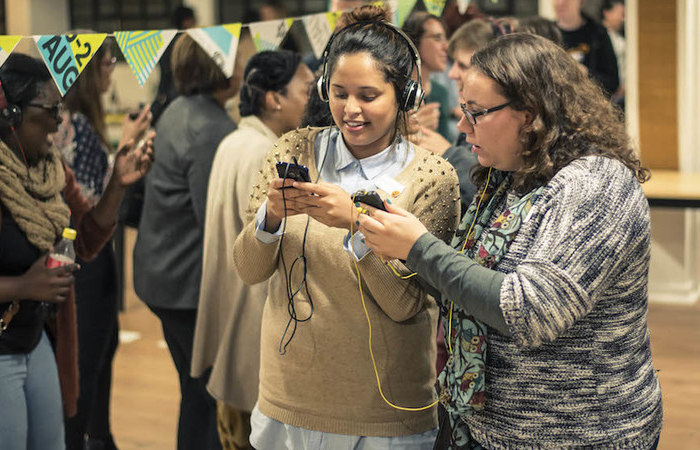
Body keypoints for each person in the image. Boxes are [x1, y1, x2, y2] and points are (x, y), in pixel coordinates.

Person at [358, 33, 662, 449]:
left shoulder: (596, 185)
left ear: (531, 114)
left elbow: (530, 311)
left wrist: (419, 247)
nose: (462, 126)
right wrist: (394, 244)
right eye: (464, 111)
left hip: (581, 435)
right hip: (492, 431)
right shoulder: (510, 175)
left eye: (477, 113)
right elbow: (468, 287)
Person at [0, 53, 153, 449]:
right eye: (51, 109)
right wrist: (23, 285)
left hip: (31, 341)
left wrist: (117, 186)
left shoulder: (48, 169)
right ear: (9, 113)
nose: (58, 121)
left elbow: (82, 239)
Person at [234, 5, 459, 449]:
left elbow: (405, 304)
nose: (350, 110)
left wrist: (356, 223)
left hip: (384, 413)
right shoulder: (294, 148)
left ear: (405, 96)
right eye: (339, 93)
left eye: (368, 95)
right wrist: (273, 216)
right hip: (289, 397)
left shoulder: (433, 177)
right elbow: (248, 268)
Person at [191, 49, 313, 450]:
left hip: (232, 304)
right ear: (273, 98)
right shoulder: (265, 153)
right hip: (252, 314)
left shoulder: (235, 139)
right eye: (307, 90)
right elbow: (266, 249)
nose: (315, 100)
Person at [133, 32, 242, 450]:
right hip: (182, 283)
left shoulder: (179, 108)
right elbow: (213, 217)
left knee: (194, 392)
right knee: (208, 395)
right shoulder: (211, 128)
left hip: (159, 274)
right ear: (221, 68)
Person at [56, 37, 152, 450]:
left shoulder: (75, 121)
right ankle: (84, 439)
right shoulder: (72, 123)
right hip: (83, 259)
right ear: (86, 72)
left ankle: (100, 436)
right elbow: (91, 201)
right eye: (107, 61)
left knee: (102, 348)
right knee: (87, 358)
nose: (111, 67)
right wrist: (127, 146)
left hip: (89, 257)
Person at [403, 11, 453, 144]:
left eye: (445, 38)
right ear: (414, 42)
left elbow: (444, 149)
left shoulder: (440, 92)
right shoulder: (393, 90)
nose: (446, 47)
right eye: (437, 38)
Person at [553, 0, 619, 96]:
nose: (560, 3)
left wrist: (585, 73)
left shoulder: (598, 33)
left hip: (590, 104)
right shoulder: (546, 33)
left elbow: (613, 83)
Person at [601, 0, 626, 107]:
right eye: (621, 14)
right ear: (607, 13)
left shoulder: (620, 38)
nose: (623, 19)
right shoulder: (598, 37)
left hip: (620, 95)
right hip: (606, 93)